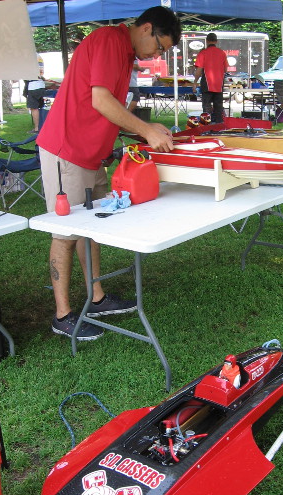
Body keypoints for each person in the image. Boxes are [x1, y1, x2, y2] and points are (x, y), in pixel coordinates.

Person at [37, 6, 182, 341]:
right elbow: (100, 100)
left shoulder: (125, 52)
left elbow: (109, 110)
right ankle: (62, 315)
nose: (156, 55)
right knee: (65, 233)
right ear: (146, 28)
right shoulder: (108, 41)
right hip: (66, 150)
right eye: (159, 46)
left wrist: (143, 130)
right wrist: (146, 130)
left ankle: (97, 297)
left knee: (92, 227)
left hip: (92, 154)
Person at [191, 33, 229, 124]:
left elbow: (199, 70)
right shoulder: (222, 53)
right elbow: (225, 69)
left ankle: (207, 127)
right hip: (219, 84)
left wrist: (195, 82)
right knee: (218, 108)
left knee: (206, 108)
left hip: (207, 83)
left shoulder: (203, 53)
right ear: (216, 41)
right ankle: (219, 126)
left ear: (207, 41)